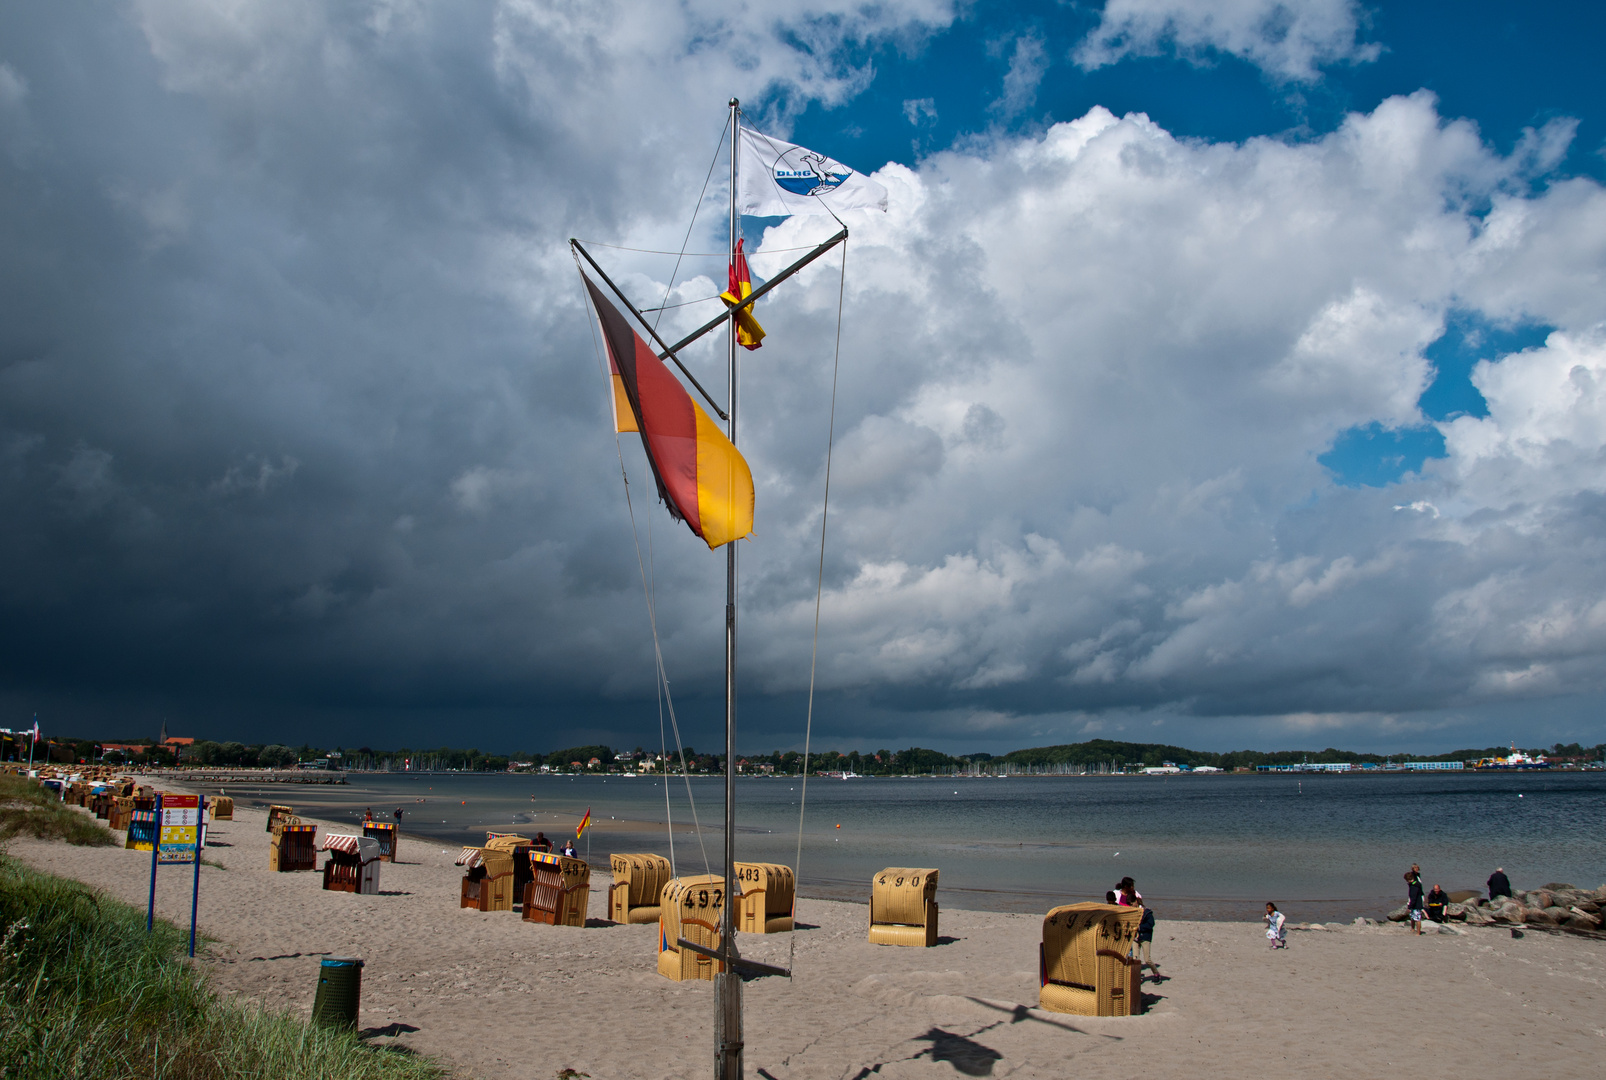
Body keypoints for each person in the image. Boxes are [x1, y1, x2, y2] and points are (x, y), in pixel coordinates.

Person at [1406, 870, 1426, 935]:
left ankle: (1418, 932)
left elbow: (1413, 898)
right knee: (1412, 917)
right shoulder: (1415, 884)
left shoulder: (1414, 886)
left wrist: (1410, 906)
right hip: (1416, 903)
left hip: (1417, 905)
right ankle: (1412, 929)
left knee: (1417, 919)